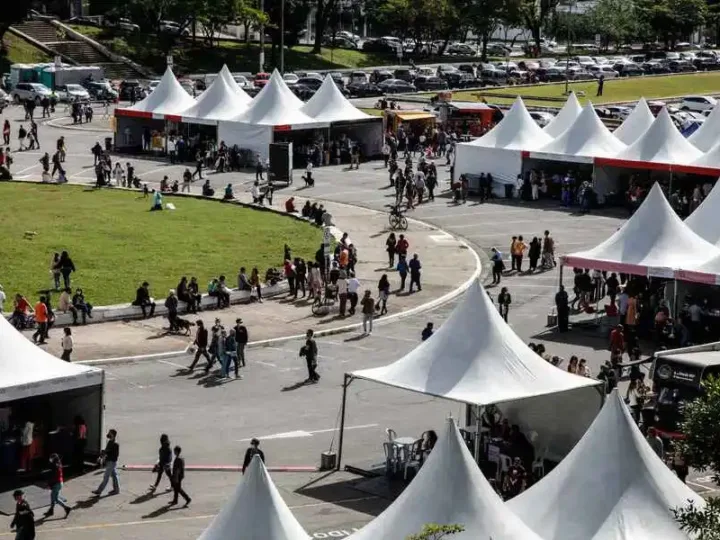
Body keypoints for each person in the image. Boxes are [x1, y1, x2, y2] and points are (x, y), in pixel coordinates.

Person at [93, 429, 120, 496]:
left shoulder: (115, 444)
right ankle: (116, 490)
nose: (108, 434)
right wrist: (101, 457)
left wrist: (106, 456)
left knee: (106, 477)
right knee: (114, 476)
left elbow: (114, 455)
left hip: (111, 462)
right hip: (110, 462)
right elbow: (106, 451)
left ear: (113, 435)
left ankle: (99, 491)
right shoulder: (110, 442)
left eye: (109, 433)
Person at [45, 454, 72, 518]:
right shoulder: (58, 464)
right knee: (52, 496)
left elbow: (53, 477)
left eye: (51, 458)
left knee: (55, 499)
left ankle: (66, 508)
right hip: (59, 483)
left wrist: (49, 485)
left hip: (56, 484)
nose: (50, 459)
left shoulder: (54, 466)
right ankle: (51, 510)